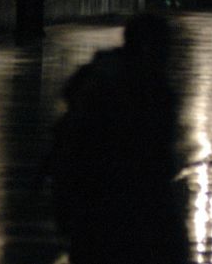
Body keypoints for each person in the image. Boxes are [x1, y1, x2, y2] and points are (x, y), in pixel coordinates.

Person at [49, 13, 187, 264]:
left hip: (91, 207)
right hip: (126, 205)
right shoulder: (149, 88)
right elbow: (156, 155)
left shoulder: (98, 75)